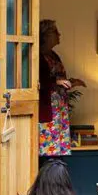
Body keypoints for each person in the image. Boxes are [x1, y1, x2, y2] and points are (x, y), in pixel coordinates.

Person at [38, 19, 86, 157]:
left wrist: (71, 82)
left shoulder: (54, 55)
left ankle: (56, 176)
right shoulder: (38, 56)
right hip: (49, 110)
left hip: (59, 109)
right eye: (55, 32)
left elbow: (58, 80)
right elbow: (39, 81)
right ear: (46, 35)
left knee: (58, 152)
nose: (59, 34)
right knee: (47, 151)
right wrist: (57, 81)